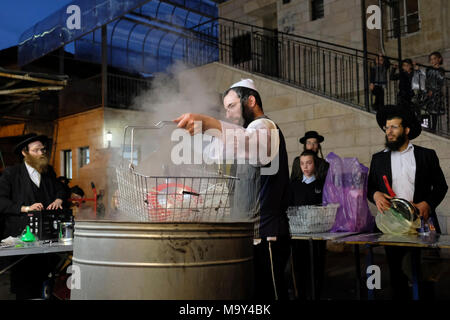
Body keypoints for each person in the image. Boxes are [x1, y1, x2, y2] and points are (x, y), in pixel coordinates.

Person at [175, 79, 291, 300]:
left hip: (268, 235)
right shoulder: (242, 134)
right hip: (251, 234)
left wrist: (209, 123)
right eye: (225, 109)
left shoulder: (265, 126)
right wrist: (194, 133)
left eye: (231, 106)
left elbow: (251, 143)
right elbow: (215, 152)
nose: (227, 114)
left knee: (271, 295)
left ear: (251, 101)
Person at [367, 105, 448, 299]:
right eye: (387, 128)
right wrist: (376, 195)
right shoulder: (378, 159)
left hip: (423, 223)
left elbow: (441, 187)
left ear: (407, 130)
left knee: (425, 273)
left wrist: (428, 203)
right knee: (397, 274)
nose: (389, 132)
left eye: (394, 127)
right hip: (392, 224)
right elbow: (370, 188)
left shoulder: (426, 155)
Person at [0, 133, 67, 299]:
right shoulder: (11, 173)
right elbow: (1, 201)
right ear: (25, 152)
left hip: (46, 237)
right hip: (20, 235)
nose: (41, 153)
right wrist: (25, 208)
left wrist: (59, 198)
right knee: (25, 285)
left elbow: (62, 189)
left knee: (46, 282)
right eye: (36, 150)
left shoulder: (47, 171)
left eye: (42, 150)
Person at [289, 150, 326, 300]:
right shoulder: (294, 186)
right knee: (299, 266)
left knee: (316, 267)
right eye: (302, 163)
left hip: (317, 233)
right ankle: (301, 294)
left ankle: (316, 294)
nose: (305, 167)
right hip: (298, 234)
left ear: (315, 164)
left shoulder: (321, 185)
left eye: (309, 163)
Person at [425, 51, 446, 132]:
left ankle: (433, 128)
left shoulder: (441, 70)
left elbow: (441, 81)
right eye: (431, 59)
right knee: (429, 110)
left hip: (437, 93)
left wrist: (437, 69)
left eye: (434, 59)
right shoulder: (429, 69)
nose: (432, 61)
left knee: (434, 111)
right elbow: (427, 80)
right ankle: (429, 126)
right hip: (429, 92)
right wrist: (428, 90)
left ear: (439, 59)